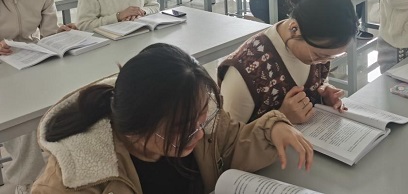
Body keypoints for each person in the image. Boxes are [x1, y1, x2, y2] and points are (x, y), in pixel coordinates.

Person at [32, 43, 313, 193]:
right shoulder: (74, 180)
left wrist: (272, 128)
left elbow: (231, 142)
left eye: (202, 118)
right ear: (136, 129)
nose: (199, 134)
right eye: (183, 130)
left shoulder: (197, 116)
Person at [219, 0, 358, 125]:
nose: (324, 62)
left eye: (332, 57)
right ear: (294, 29)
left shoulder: (315, 46)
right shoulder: (246, 69)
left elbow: (318, 81)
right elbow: (226, 137)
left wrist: (324, 94)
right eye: (319, 55)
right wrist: (281, 117)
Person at [0, 0, 76, 194]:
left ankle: (64, 169)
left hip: (33, 62)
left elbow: (49, 35)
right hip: (3, 69)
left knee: (69, 102)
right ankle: (26, 180)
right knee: (22, 126)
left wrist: (63, 34)